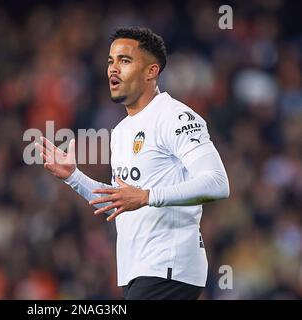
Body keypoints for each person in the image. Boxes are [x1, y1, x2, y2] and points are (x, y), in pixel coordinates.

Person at [35, 26, 230, 300]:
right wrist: (74, 177)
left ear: (151, 71)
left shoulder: (175, 117)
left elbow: (218, 183)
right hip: (137, 272)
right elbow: (122, 203)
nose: (113, 69)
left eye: (124, 61)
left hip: (168, 268)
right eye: (110, 61)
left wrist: (147, 196)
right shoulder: (121, 131)